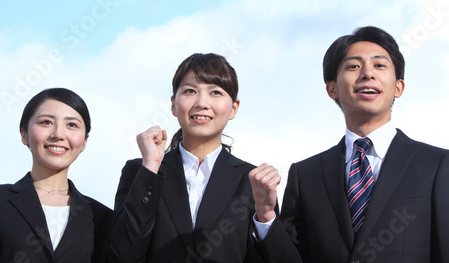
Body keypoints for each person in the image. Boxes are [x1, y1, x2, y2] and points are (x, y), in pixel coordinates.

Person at [251, 26, 449, 262]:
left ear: (398, 87)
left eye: (379, 65)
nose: (367, 74)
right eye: (353, 66)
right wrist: (265, 216)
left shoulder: (437, 165)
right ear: (332, 88)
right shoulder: (306, 175)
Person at [109, 53, 300, 263]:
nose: (202, 102)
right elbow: (121, 256)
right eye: (190, 91)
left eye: (215, 92)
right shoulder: (142, 172)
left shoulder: (252, 181)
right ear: (173, 105)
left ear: (233, 108)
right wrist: (150, 168)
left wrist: (265, 218)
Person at [0, 88, 113, 263]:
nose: (58, 135)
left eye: (71, 125)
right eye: (46, 122)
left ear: (84, 142)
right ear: (24, 134)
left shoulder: (102, 217)